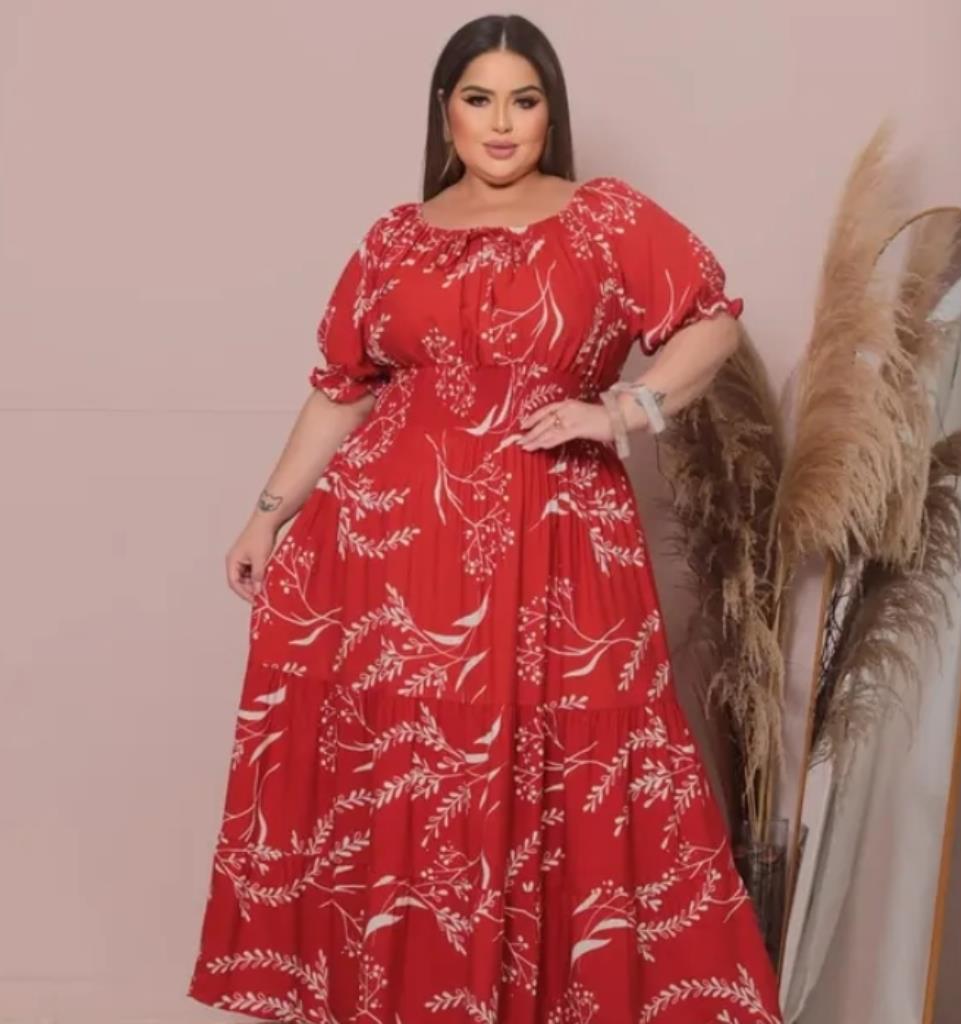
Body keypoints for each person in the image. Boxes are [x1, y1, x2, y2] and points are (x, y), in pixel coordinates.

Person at [187, 13, 782, 1023]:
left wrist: (622, 410)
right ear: (445, 113)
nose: (502, 123)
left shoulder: (603, 218)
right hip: (390, 556)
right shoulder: (394, 236)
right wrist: (266, 516)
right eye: (479, 99)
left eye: (524, 99)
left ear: (551, 113)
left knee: (574, 761)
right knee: (412, 772)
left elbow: (710, 323)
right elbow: (341, 389)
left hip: (554, 538)